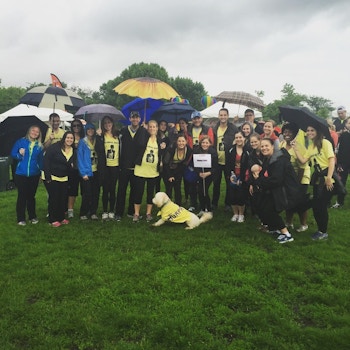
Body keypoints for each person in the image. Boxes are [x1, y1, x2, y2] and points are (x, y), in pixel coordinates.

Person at [253, 138, 302, 243]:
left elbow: (276, 179)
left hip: (285, 190)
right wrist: (258, 181)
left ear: (272, 147)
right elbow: (264, 173)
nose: (264, 148)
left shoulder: (279, 160)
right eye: (262, 146)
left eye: (266, 146)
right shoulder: (269, 158)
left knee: (269, 210)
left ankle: (286, 234)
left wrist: (259, 181)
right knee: (261, 206)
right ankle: (273, 228)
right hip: (275, 189)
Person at [292, 125, 335, 240]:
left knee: (321, 206)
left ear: (317, 132)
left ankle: (323, 232)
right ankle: (320, 230)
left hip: (328, 179)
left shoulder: (325, 142)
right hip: (317, 180)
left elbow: (332, 160)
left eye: (312, 130)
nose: (309, 132)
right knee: (317, 206)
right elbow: (303, 160)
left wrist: (329, 177)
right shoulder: (311, 146)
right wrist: (295, 149)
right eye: (308, 131)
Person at [115, 111, 149, 221]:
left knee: (135, 191)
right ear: (130, 119)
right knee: (121, 191)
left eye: (137, 118)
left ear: (140, 119)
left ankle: (131, 211)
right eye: (133, 118)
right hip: (124, 166)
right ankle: (118, 212)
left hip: (137, 167)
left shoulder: (144, 131)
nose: (135, 119)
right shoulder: (124, 130)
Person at [279, 122, 310, 232]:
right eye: (285, 132)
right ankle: (289, 222)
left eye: (290, 132)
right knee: (289, 200)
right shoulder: (281, 144)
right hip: (288, 178)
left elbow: (302, 166)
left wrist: (296, 183)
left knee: (300, 201)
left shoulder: (299, 146)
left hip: (301, 177)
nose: (287, 134)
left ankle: (303, 224)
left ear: (295, 133)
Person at [11, 125, 44, 225]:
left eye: (37, 132)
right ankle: (21, 218)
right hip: (21, 173)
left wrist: (41, 172)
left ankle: (32, 216)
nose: (35, 132)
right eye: (33, 130)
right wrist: (19, 155)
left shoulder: (40, 146)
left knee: (31, 196)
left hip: (34, 174)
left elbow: (40, 161)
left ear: (39, 134)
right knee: (22, 196)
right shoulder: (21, 141)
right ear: (29, 131)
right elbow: (13, 153)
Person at [43, 131, 76, 227]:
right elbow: (46, 160)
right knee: (54, 198)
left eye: (71, 138)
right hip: (53, 177)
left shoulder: (73, 150)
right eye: (67, 138)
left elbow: (70, 164)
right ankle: (52, 219)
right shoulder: (55, 148)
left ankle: (61, 217)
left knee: (62, 199)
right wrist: (48, 176)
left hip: (64, 178)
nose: (69, 140)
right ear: (64, 138)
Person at [133, 120, 161, 222]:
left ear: (157, 128)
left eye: (154, 127)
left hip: (153, 171)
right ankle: (136, 213)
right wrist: (141, 128)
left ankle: (148, 213)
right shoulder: (144, 138)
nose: (152, 129)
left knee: (150, 193)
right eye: (150, 127)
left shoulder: (159, 140)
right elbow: (137, 140)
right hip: (141, 170)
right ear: (147, 128)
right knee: (138, 192)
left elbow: (161, 153)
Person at [211, 108, 238, 210]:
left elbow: (238, 139)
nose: (223, 117)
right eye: (221, 115)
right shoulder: (214, 128)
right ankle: (214, 203)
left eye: (224, 115)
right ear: (218, 116)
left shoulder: (233, 128)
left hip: (228, 160)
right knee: (216, 183)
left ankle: (228, 203)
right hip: (216, 160)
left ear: (227, 116)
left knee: (229, 183)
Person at [96, 115, 120, 221]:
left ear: (112, 123)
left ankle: (111, 210)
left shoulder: (118, 135)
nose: (107, 125)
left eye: (109, 122)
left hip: (115, 166)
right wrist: (98, 136)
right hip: (105, 166)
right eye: (105, 123)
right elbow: (98, 149)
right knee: (105, 189)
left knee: (113, 189)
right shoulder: (101, 136)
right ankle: (105, 211)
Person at [77, 124, 100, 220]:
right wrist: (83, 173)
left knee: (96, 193)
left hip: (96, 170)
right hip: (87, 171)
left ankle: (93, 212)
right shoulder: (82, 142)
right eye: (88, 129)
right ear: (86, 130)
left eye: (92, 129)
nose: (90, 130)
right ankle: (83, 212)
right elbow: (79, 158)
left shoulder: (97, 140)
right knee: (87, 193)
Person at [226, 131, 250, 223]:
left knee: (241, 196)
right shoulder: (231, 149)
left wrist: (244, 178)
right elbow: (227, 164)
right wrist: (230, 175)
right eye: (236, 138)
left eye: (240, 137)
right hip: (233, 176)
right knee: (232, 196)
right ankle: (235, 213)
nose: (238, 139)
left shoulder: (248, 150)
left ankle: (241, 214)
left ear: (244, 138)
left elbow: (248, 165)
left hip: (243, 176)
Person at [163, 134, 193, 205]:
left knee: (177, 187)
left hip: (179, 168)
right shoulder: (171, 148)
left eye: (183, 141)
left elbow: (184, 163)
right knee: (169, 188)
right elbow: (165, 163)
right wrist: (170, 175)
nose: (181, 143)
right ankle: (167, 205)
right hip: (167, 168)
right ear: (176, 142)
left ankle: (178, 205)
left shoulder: (189, 150)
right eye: (179, 141)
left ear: (186, 142)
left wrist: (176, 174)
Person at [193, 135, 218, 215]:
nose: (205, 144)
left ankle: (209, 209)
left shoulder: (213, 152)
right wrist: (199, 173)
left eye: (207, 143)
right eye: (203, 142)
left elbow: (215, 167)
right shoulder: (197, 151)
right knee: (200, 191)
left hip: (209, 174)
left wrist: (208, 173)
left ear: (210, 144)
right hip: (200, 173)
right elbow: (195, 164)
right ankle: (202, 208)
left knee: (204, 191)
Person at [67, 119, 85, 218]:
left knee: (84, 190)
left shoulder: (84, 137)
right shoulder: (69, 137)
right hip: (73, 168)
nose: (76, 127)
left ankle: (84, 210)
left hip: (82, 167)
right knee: (72, 190)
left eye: (78, 125)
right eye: (74, 126)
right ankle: (70, 210)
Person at [331, 116, 350, 208]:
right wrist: (339, 164)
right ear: (346, 125)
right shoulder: (344, 136)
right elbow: (339, 150)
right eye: (349, 123)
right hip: (344, 163)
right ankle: (339, 202)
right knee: (341, 181)